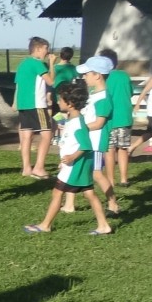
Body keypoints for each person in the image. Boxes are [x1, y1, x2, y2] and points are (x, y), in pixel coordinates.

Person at [24, 80, 112, 236]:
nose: (58, 102)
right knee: (89, 194)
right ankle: (104, 225)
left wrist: (71, 157)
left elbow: (86, 146)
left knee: (57, 193)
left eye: (60, 99)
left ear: (70, 103)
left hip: (75, 167)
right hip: (76, 165)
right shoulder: (74, 120)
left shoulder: (78, 124)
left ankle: (45, 225)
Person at [63, 55, 122, 217]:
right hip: (87, 140)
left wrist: (78, 128)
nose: (84, 77)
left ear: (98, 75)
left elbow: (99, 123)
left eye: (87, 74)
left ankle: (113, 204)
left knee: (96, 174)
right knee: (75, 167)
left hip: (95, 143)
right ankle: (69, 204)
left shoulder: (103, 98)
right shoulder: (92, 94)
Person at [14, 36, 55, 178]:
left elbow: (18, 85)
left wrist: (15, 103)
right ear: (37, 49)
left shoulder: (22, 64)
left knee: (26, 136)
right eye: (45, 48)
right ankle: (39, 167)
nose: (47, 51)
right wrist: (51, 64)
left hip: (23, 105)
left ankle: (26, 168)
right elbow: (51, 81)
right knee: (47, 134)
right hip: (37, 104)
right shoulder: (38, 64)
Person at [99, 48, 134, 185]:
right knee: (123, 148)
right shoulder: (124, 76)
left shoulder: (104, 78)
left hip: (110, 119)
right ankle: (124, 179)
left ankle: (111, 180)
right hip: (125, 118)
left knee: (109, 150)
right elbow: (130, 92)